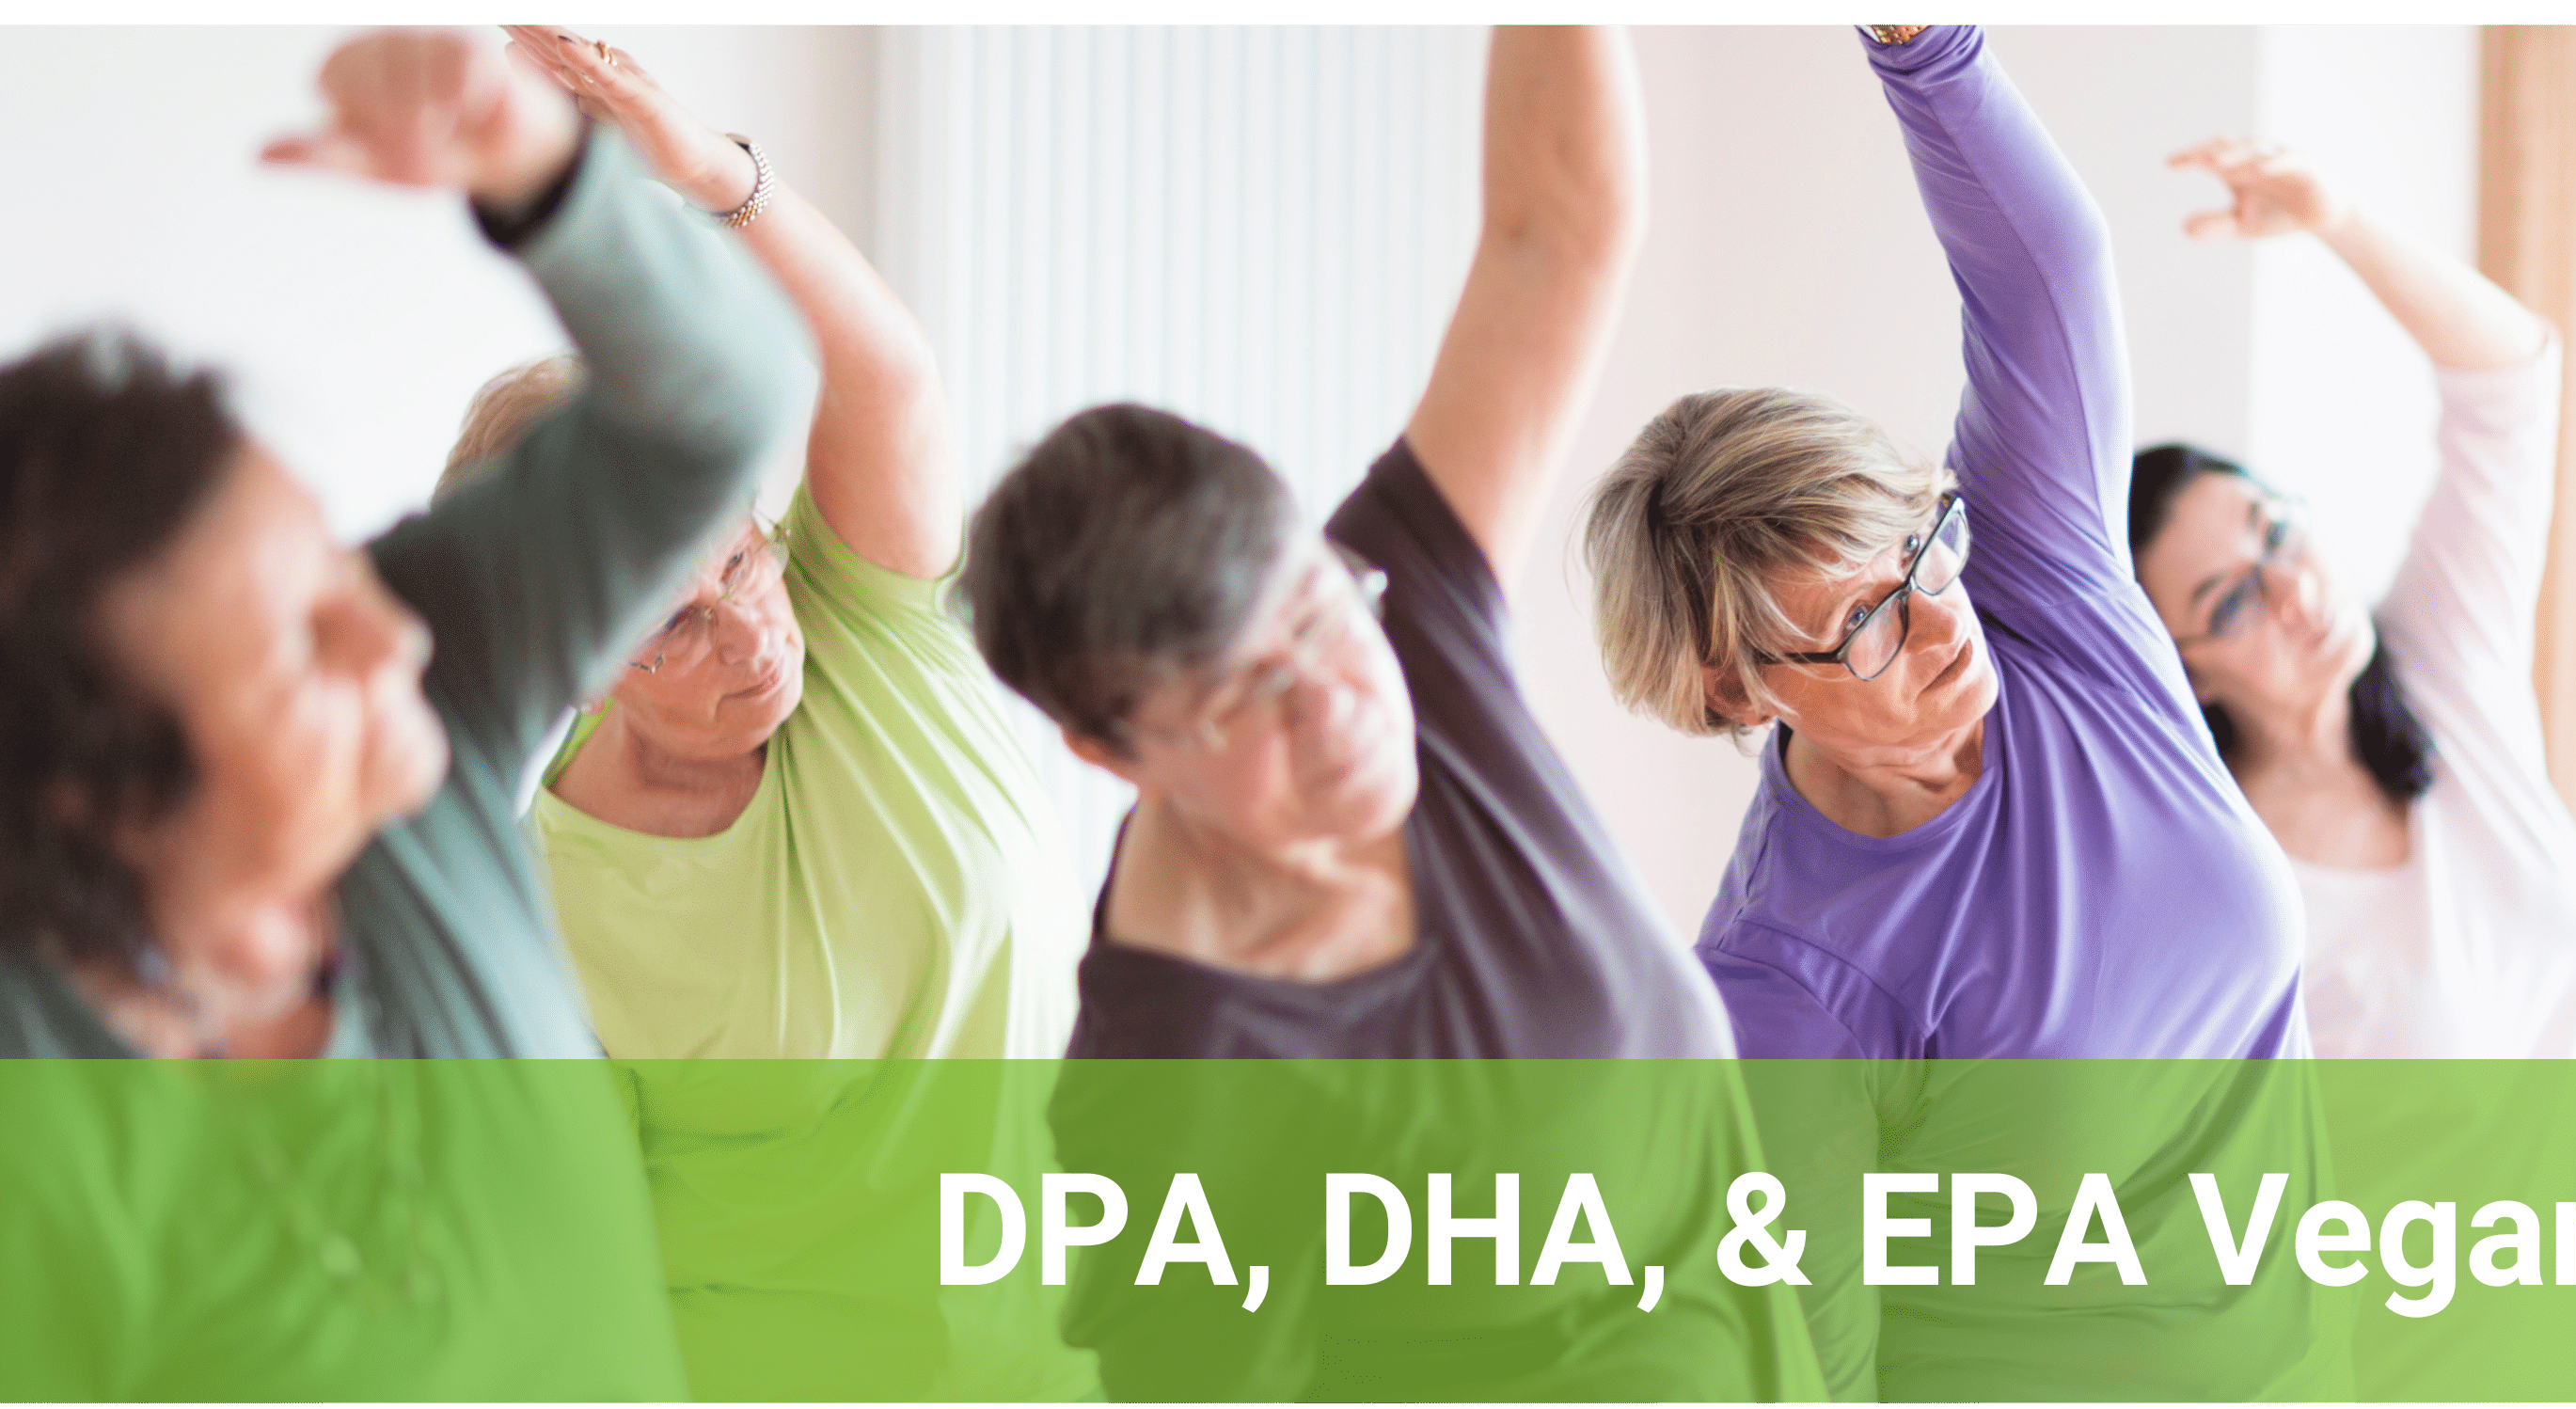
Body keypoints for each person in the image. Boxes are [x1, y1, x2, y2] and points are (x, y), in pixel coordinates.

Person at [961, 25, 1815, 1400]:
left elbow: (1560, 230)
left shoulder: (1407, 616)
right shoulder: (1171, 1092)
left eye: (1315, 608)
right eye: (1244, 692)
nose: (1341, 703)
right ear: (1109, 751)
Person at [0, 28, 810, 1399]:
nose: (383, 632)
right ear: (104, 789)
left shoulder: (432, 716)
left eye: (336, 563)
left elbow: (721, 406)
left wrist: (545, 176)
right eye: (295, 648)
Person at [1577, 24, 2333, 1401]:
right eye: (1860, 622)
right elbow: (1811, 1368)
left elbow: (2052, 274)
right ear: (1731, 688)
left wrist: (1922, 46)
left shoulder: (2042, 592)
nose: (1938, 619)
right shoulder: (1785, 985)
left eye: (1920, 552)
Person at [420, 28, 1100, 1401]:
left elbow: (886, 374)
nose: (749, 624)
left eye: (735, 554)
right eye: (672, 620)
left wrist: (702, 172)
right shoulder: (545, 916)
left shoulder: (865, 618)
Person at [2124, 137, 2576, 1060]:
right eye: (2229, 602)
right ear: (2183, 673)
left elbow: (2509, 383)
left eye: (2274, 531)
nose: (2292, 589)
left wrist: (2336, 221)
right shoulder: (2223, 889)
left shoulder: (2439, 662)